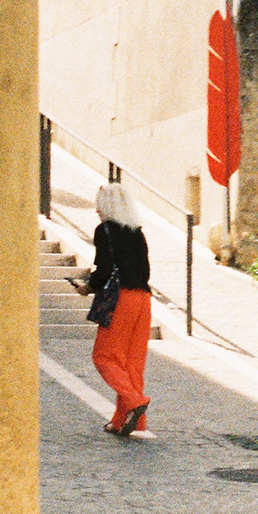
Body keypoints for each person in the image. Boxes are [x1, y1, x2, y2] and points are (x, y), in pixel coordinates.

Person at [89, 180, 154, 439]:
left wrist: (89, 286)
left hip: (122, 299)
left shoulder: (104, 230)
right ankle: (125, 421)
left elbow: (104, 269)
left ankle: (135, 402)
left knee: (104, 357)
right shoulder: (137, 232)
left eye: (99, 205)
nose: (97, 210)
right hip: (143, 298)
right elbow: (146, 270)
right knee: (132, 363)